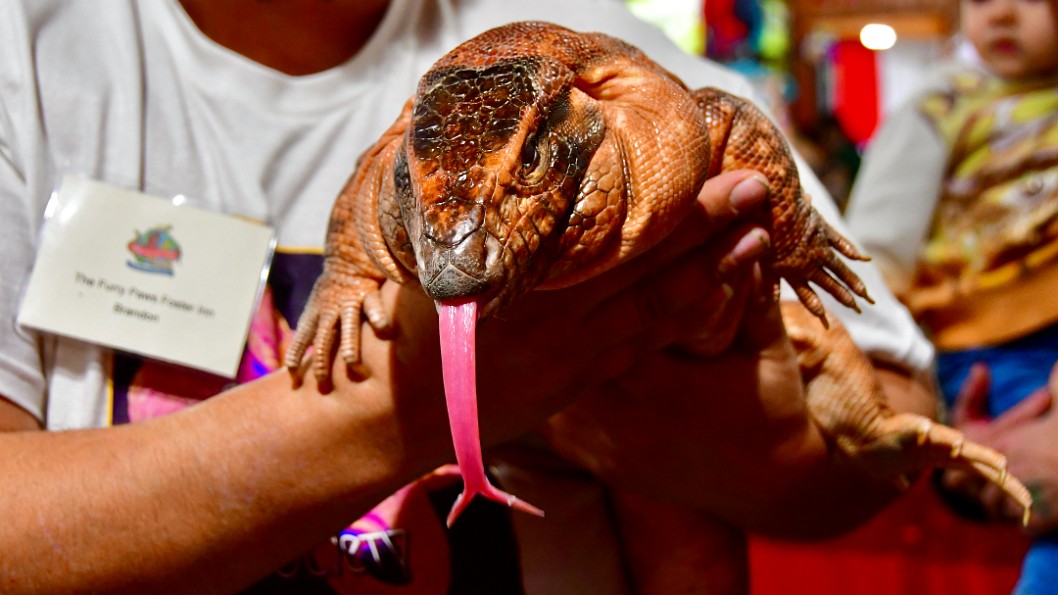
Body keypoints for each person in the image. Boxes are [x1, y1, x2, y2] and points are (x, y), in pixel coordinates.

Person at [0, 0, 934, 593]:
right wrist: (399, 408)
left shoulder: (623, 76)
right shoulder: (29, 51)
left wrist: (736, 452)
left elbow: (893, 405)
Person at [845, 0, 1058, 591]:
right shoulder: (942, 105)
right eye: (985, 0)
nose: (1005, 16)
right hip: (990, 344)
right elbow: (878, 243)